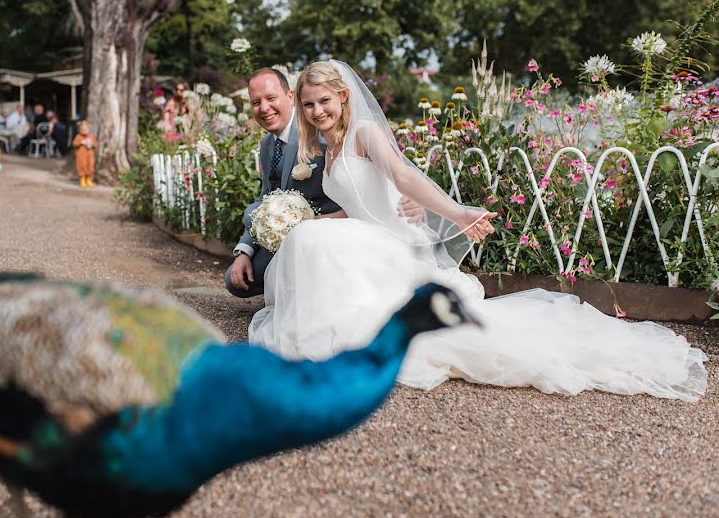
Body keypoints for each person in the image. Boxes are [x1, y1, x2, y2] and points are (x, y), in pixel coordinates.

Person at [248, 60, 706, 402]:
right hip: (371, 239)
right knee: (308, 237)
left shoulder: (364, 133)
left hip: (393, 246)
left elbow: (405, 179)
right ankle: (324, 331)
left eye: (323, 101)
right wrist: (306, 221)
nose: (315, 110)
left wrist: (458, 212)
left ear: (343, 96)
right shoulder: (326, 148)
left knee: (314, 246)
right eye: (308, 105)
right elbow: (358, 208)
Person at [224, 68, 342, 298]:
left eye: (270, 98)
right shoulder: (268, 145)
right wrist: (244, 251)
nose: (264, 108)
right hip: (283, 237)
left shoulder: (319, 128)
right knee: (234, 280)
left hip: (327, 235)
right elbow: (265, 198)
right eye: (256, 102)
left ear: (290, 97)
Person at [71, 120, 97, 187]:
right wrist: (81, 142)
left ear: (88, 129)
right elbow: (74, 143)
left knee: (90, 166)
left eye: (86, 129)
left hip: (90, 155)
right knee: (82, 166)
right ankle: (82, 179)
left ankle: (89, 179)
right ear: (79, 130)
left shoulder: (91, 137)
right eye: (82, 129)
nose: (84, 130)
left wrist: (91, 144)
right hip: (81, 156)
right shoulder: (78, 136)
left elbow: (95, 145)